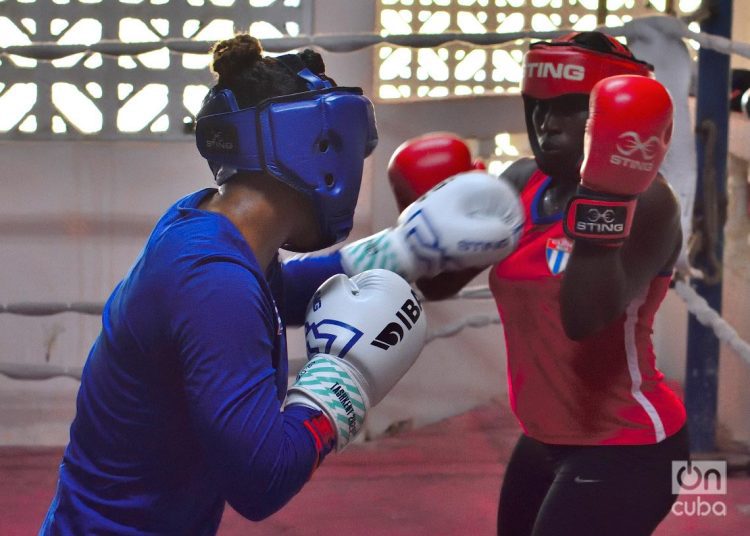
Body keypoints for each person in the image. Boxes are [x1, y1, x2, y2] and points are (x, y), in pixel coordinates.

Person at [39, 33, 433, 535]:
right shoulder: (213, 282)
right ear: (319, 148)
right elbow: (259, 481)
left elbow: (269, 295)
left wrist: (400, 253)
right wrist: (343, 383)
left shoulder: (210, 224)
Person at [385, 32, 690, 536]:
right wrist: (424, 225)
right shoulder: (522, 182)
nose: (546, 125)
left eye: (572, 109)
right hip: (542, 438)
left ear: (617, 124)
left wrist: (603, 194)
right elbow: (440, 286)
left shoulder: (652, 204)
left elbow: (584, 319)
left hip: (629, 445)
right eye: (537, 106)